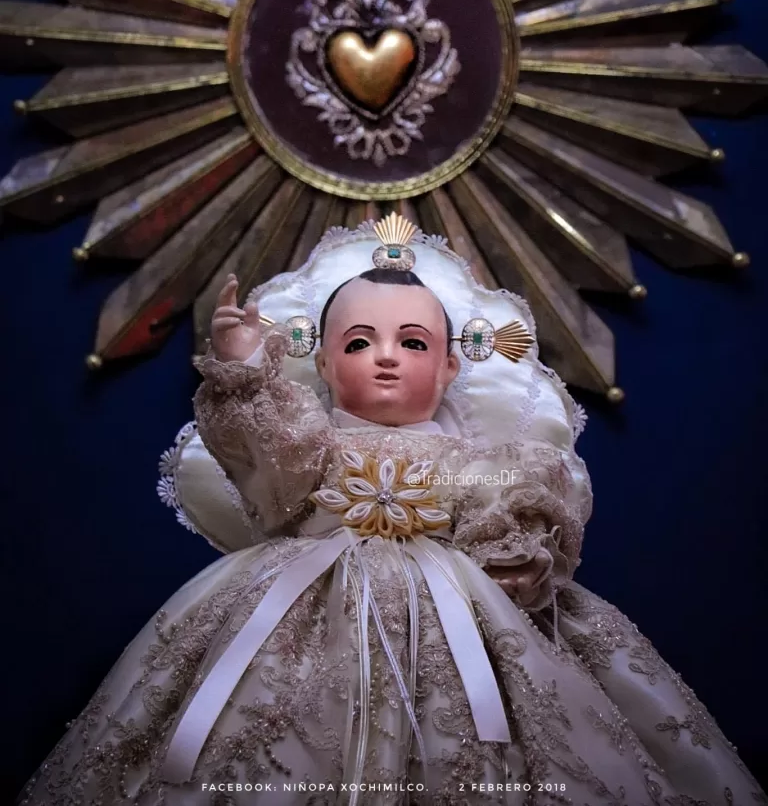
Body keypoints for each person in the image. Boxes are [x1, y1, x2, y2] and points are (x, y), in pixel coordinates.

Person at [16, 219, 765, 805]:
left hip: (464, 617)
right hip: (294, 610)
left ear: (449, 364)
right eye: (358, 341)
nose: (385, 356)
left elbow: (514, 502)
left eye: (411, 341)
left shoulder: (478, 459)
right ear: (321, 360)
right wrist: (245, 372)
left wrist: (516, 555)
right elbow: (267, 465)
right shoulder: (308, 449)